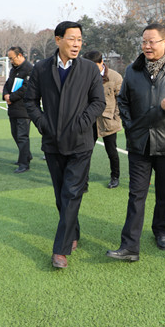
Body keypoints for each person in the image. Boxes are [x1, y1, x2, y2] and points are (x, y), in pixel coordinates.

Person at [106, 23, 165, 262]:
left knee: (164, 193)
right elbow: (123, 101)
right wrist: (130, 126)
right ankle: (129, 246)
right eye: (144, 42)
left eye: (152, 41)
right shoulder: (132, 70)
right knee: (136, 194)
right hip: (140, 143)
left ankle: (161, 231)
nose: (147, 46)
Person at [24, 21, 105, 269]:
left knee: (71, 193)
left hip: (81, 143)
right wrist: (43, 124)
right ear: (58, 40)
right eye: (72, 38)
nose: (76, 44)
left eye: (80, 39)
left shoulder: (89, 68)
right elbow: (30, 101)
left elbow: (98, 102)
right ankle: (73, 232)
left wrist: (81, 124)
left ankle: (60, 249)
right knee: (62, 195)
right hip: (52, 142)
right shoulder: (41, 68)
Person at [82, 51, 123, 189]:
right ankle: (83, 181)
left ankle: (115, 177)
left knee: (112, 151)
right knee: (85, 152)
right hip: (89, 120)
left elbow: (121, 100)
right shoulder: (83, 76)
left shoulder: (115, 77)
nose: (90, 69)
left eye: (93, 66)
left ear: (101, 63)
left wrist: (116, 118)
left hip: (108, 120)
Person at [3, 46, 34, 174]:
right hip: (13, 108)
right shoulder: (13, 69)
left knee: (22, 136)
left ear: (20, 55)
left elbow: (26, 88)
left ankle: (24, 164)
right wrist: (5, 94)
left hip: (23, 109)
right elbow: (7, 83)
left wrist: (11, 97)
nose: (11, 61)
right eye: (9, 59)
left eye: (12, 58)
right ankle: (26, 155)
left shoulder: (29, 69)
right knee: (15, 134)